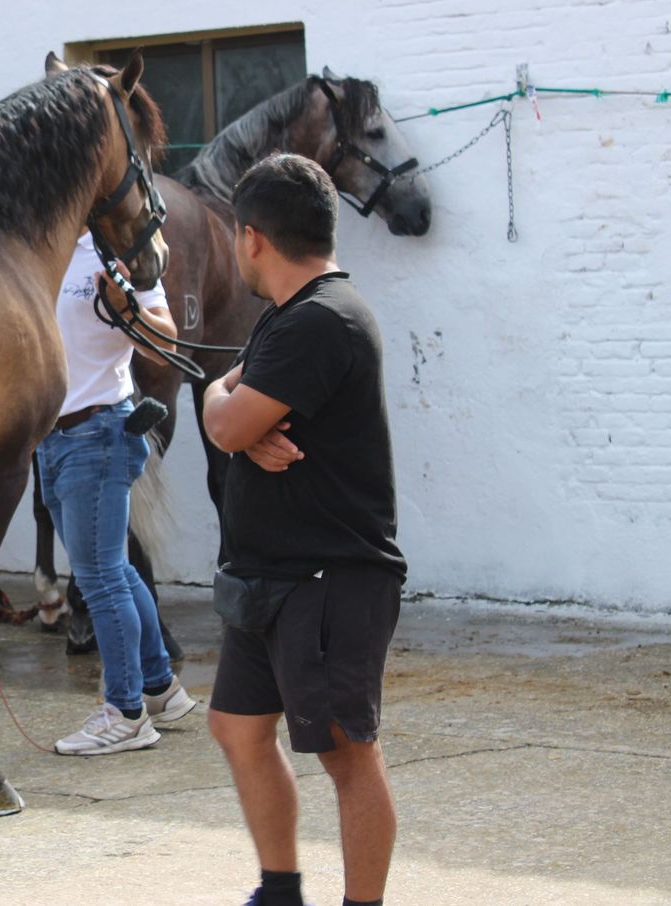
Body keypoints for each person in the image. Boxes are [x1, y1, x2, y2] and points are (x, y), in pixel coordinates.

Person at [200, 153, 405, 906]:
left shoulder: (320, 319)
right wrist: (235, 413)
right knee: (238, 727)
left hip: (328, 578)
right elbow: (227, 411)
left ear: (253, 238)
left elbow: (221, 415)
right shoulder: (288, 318)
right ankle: (280, 890)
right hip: (270, 576)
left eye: (232, 234)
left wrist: (230, 413)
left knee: (348, 753)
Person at [42, 230, 197, 756]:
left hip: (97, 431)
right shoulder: (41, 242)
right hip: (54, 436)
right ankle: (159, 688)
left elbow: (168, 342)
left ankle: (126, 712)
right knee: (113, 570)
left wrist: (123, 305)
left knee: (102, 577)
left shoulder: (115, 250)